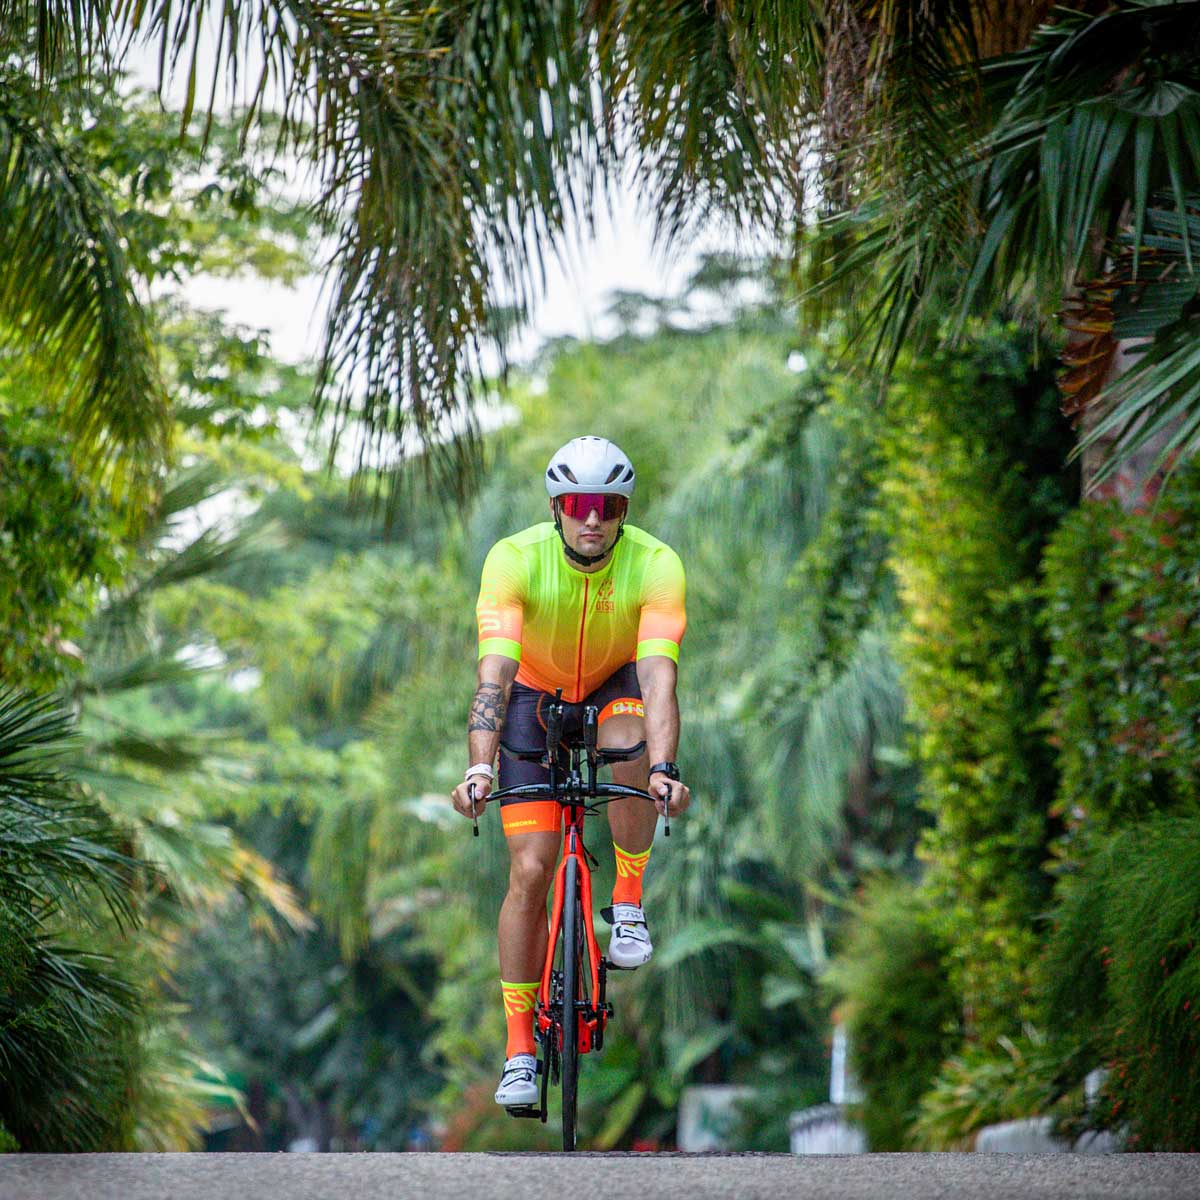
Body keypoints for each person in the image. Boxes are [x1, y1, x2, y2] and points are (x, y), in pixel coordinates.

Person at [450, 435, 690, 1109]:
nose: (593, 519)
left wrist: (666, 769)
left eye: (608, 506)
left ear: (623, 512)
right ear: (557, 508)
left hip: (615, 680)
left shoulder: (656, 565)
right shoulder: (514, 560)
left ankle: (629, 905)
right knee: (530, 868)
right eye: (578, 504)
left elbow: (659, 679)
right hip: (534, 691)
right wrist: (478, 767)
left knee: (629, 738)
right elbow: (493, 678)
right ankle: (520, 1050)